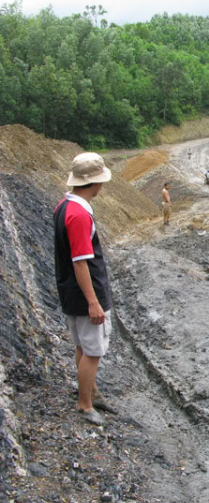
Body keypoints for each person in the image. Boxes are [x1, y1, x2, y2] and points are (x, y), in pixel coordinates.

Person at [53, 152, 116, 426]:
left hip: (70, 291)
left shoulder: (63, 206)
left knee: (82, 345)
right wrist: (93, 301)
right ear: (94, 183)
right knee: (93, 351)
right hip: (84, 293)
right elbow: (81, 262)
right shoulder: (79, 215)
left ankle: (89, 391)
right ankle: (85, 404)